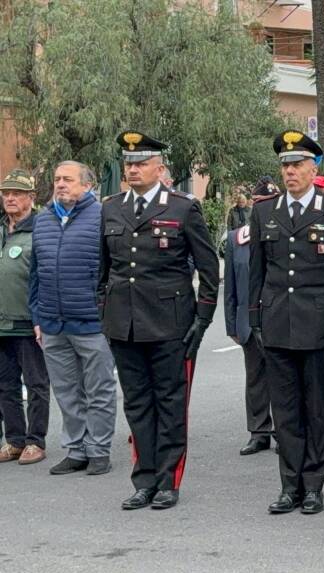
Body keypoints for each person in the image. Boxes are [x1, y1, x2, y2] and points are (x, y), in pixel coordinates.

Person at [99, 131, 220, 510]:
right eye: (128, 163)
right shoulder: (112, 207)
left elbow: (208, 268)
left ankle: (168, 480)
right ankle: (144, 479)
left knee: (170, 403)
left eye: (141, 163)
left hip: (171, 323)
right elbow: (104, 271)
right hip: (125, 324)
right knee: (136, 404)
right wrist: (104, 309)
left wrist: (202, 319)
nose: (133, 169)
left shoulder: (182, 208)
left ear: (160, 167)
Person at [249, 130, 324, 515]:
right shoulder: (265, 211)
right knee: (285, 411)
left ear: (314, 168)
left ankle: (313, 485)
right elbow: (257, 273)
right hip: (278, 322)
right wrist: (255, 318)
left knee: (315, 409)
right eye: (285, 165)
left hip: (319, 325)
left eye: (298, 165)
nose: (290, 172)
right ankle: (289, 486)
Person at [31, 161, 118, 475]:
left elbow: (113, 270)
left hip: (92, 322)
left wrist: (107, 312)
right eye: (56, 179)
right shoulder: (43, 220)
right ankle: (76, 449)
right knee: (67, 391)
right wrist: (37, 317)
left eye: (67, 179)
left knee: (99, 390)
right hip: (53, 322)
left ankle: (98, 450)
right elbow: (35, 274)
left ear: (86, 185)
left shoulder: (103, 217)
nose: (60, 184)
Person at [0, 170, 50, 466]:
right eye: (6, 193)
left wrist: (42, 317)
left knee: (36, 384)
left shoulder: (39, 230)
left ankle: (36, 440)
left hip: (28, 321)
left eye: (17, 193)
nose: (10, 198)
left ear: (31, 198)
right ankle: (15, 439)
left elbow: (45, 276)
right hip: (1, 322)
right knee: (5, 385)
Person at [224, 186, 275, 457]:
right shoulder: (237, 239)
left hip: (279, 319)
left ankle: (284, 430)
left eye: (268, 201)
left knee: (283, 380)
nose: (261, 205)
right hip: (248, 321)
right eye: (259, 201)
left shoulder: (283, 235)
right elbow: (230, 286)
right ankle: (259, 432)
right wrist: (231, 324)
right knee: (255, 379)